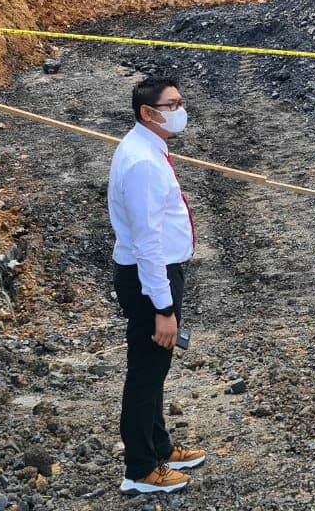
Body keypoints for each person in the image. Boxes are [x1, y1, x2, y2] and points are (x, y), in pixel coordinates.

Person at [107, 76, 206, 494]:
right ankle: (141, 469)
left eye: (180, 102)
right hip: (152, 279)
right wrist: (164, 309)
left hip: (157, 275)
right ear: (148, 113)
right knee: (146, 374)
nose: (179, 110)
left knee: (155, 369)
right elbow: (148, 243)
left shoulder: (147, 149)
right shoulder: (143, 163)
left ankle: (159, 446)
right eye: (172, 104)